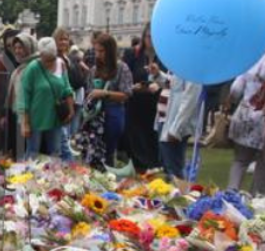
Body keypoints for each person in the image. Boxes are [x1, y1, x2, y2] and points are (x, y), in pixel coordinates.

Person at [227, 34, 265, 193]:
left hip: (244, 113)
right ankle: (257, 200)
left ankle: (230, 195)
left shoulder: (251, 62)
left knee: (240, 160)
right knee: (263, 163)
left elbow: (235, 90)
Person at [75, 33, 133, 170]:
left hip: (113, 114)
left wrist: (105, 93)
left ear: (110, 51)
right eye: (96, 50)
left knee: (107, 153)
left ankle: (107, 182)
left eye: (101, 51)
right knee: (90, 151)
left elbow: (126, 94)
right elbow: (89, 91)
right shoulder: (94, 70)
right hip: (94, 116)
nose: (98, 54)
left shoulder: (121, 68)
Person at [18, 37, 73, 158]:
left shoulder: (61, 64)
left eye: (52, 59)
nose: (50, 63)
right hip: (36, 119)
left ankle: (54, 176)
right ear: (40, 55)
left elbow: (67, 88)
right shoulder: (32, 68)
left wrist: (71, 110)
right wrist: (25, 123)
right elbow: (24, 97)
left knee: (56, 152)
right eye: (46, 60)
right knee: (32, 152)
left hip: (55, 118)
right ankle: (27, 176)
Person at [122, 23, 163, 172]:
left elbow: (167, 80)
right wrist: (134, 87)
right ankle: (139, 169)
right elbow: (124, 80)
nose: (151, 40)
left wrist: (158, 85)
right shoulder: (132, 54)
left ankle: (153, 169)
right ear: (144, 36)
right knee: (136, 141)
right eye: (148, 36)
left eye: (154, 37)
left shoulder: (163, 57)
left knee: (153, 141)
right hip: (136, 104)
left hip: (155, 105)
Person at [158, 72, 203, 180]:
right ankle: (173, 192)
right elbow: (172, 84)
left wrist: (176, 129)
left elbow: (190, 100)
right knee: (167, 166)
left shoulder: (193, 72)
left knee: (174, 169)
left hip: (176, 127)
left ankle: (179, 193)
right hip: (167, 122)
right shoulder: (180, 67)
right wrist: (157, 75)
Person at [53, 28, 87, 161]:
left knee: (67, 137)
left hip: (72, 100)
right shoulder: (54, 58)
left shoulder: (67, 57)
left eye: (66, 39)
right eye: (60, 39)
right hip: (60, 103)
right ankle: (68, 165)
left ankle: (67, 166)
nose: (63, 42)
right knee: (62, 140)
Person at [0, 29, 22, 156]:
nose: (13, 49)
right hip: (7, 110)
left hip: (22, 109)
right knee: (8, 148)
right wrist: (0, 114)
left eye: (15, 45)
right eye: (8, 46)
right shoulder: (1, 61)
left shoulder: (24, 59)